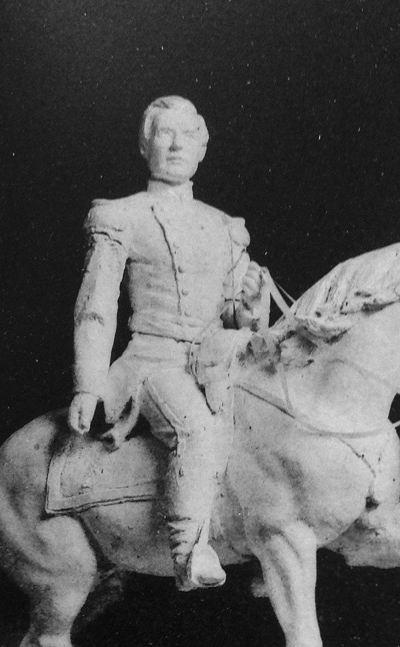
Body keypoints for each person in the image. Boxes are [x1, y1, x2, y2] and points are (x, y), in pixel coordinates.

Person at [68, 95, 264, 590]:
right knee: (195, 429)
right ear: (145, 145)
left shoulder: (225, 227)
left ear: (202, 149)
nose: (176, 145)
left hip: (218, 363)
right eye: (164, 133)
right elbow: (96, 307)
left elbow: (235, 315)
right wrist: (87, 387)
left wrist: (249, 304)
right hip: (153, 363)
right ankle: (188, 550)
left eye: (188, 135)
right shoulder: (121, 216)